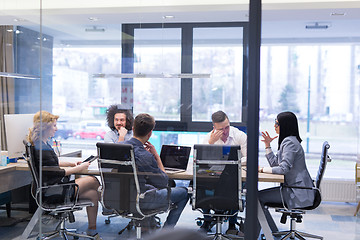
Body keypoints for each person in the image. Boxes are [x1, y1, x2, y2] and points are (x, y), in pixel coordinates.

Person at [27, 111, 100, 236]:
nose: (57, 128)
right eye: (54, 125)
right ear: (45, 127)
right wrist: (79, 168)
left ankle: (92, 229)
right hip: (54, 191)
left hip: (50, 188)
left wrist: (70, 164)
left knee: (93, 194)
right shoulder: (41, 147)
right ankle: (108, 207)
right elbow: (58, 172)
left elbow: (52, 164)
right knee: (93, 181)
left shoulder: (41, 144)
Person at [122, 113, 189, 228]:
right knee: (184, 192)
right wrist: (156, 157)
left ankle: (146, 226)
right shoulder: (146, 156)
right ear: (150, 133)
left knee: (149, 185)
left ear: (133, 129)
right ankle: (166, 232)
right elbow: (163, 182)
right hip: (143, 200)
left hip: (120, 198)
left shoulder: (118, 148)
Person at [258, 111, 315, 235]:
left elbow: (283, 169)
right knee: (257, 197)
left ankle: (255, 234)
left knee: (257, 198)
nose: (274, 126)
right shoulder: (288, 141)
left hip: (296, 192)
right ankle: (269, 232)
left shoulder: (289, 143)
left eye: (276, 123)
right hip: (294, 189)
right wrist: (267, 146)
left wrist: (262, 170)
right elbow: (275, 165)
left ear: (285, 125)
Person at [200, 110, 247, 235]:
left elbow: (248, 157)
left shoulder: (239, 136)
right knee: (198, 182)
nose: (225, 131)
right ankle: (207, 220)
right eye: (221, 129)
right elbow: (201, 160)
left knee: (236, 184)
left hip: (232, 176)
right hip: (214, 176)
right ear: (214, 127)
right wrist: (211, 143)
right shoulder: (209, 138)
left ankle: (232, 223)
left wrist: (230, 165)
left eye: (227, 127)